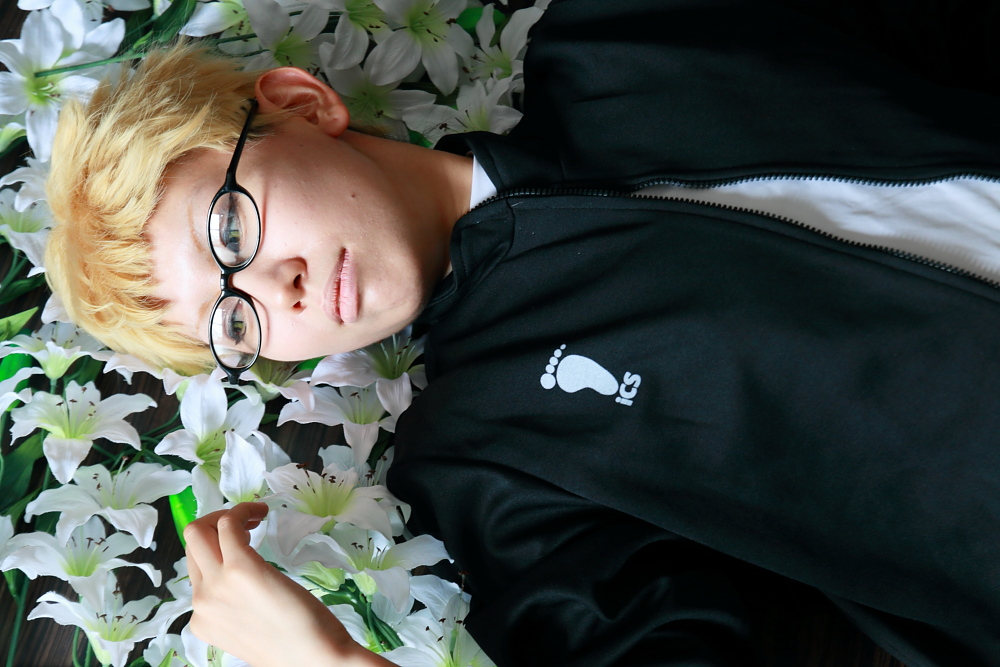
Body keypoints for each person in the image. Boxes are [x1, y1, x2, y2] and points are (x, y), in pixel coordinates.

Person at [43, 0, 1000, 665]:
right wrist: (329, 663)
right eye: (235, 320)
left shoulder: (619, 37)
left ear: (302, 105)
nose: (276, 289)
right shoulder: (484, 457)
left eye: (231, 232)